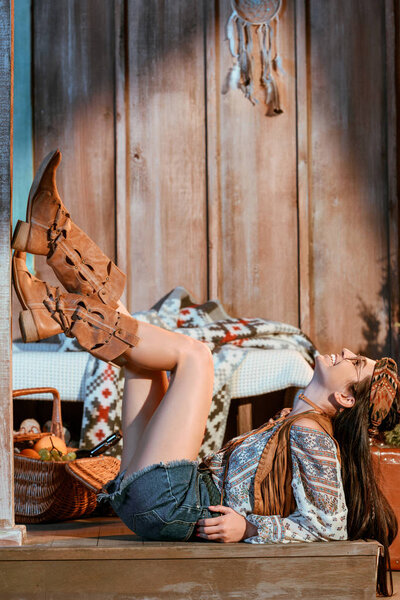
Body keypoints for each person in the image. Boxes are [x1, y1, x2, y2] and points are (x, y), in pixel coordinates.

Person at [12, 150, 399, 597]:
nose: (347, 351)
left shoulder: (314, 435)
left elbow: (328, 525)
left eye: (355, 363)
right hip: (154, 503)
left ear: (347, 399)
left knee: (197, 355)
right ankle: (54, 239)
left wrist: (247, 527)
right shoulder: (300, 421)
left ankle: (51, 298)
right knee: (138, 357)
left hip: (176, 503)